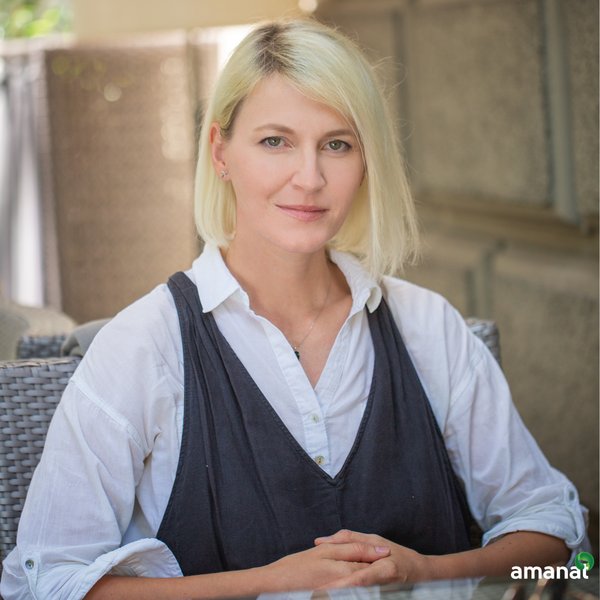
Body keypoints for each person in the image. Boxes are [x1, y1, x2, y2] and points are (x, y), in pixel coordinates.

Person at [0, 18, 587, 600]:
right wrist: (269, 584)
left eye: (337, 144)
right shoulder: (144, 347)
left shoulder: (428, 327)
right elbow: (43, 586)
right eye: (275, 141)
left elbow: (569, 553)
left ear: (366, 162)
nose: (309, 178)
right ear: (221, 151)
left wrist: (426, 573)